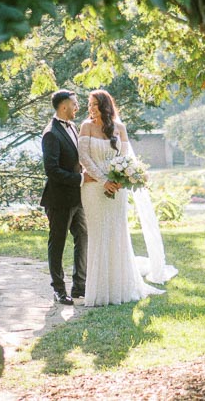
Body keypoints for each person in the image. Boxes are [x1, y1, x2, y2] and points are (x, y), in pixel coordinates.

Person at [76, 89, 177, 307]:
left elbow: (124, 159)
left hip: (117, 189)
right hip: (94, 188)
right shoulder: (86, 126)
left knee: (117, 233)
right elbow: (83, 157)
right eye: (89, 104)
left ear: (104, 105)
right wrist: (104, 180)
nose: (90, 108)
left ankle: (120, 287)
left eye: (94, 104)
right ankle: (99, 291)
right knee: (98, 235)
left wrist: (120, 179)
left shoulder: (119, 128)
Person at [40, 89, 91, 305]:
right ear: (63, 107)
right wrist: (80, 179)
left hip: (77, 198)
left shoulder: (73, 127)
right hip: (59, 199)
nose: (77, 107)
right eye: (74, 104)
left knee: (83, 236)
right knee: (58, 243)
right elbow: (51, 170)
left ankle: (80, 286)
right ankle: (59, 290)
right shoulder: (51, 133)